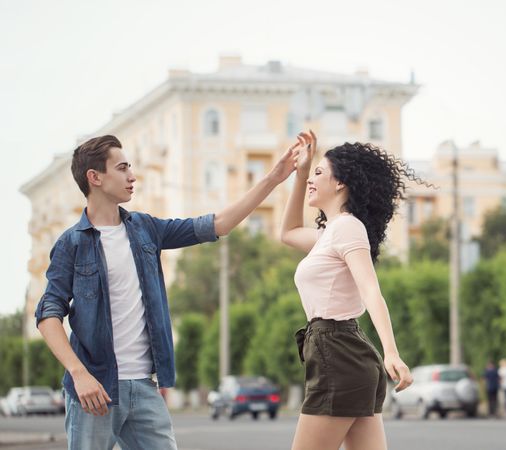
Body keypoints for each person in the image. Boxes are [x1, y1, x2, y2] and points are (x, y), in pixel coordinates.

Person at [35, 135, 299, 450]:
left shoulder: (147, 229)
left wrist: (274, 178)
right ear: (95, 177)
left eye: (130, 168)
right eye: (122, 169)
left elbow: (219, 224)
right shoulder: (71, 244)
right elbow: (48, 314)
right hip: (95, 391)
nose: (132, 176)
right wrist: (79, 374)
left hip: (145, 388)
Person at [281, 131, 424, 450]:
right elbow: (288, 233)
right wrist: (301, 171)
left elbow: (371, 289)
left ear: (341, 182)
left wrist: (392, 352)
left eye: (318, 172)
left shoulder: (347, 227)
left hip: (338, 352)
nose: (311, 181)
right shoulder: (330, 233)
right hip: (346, 352)